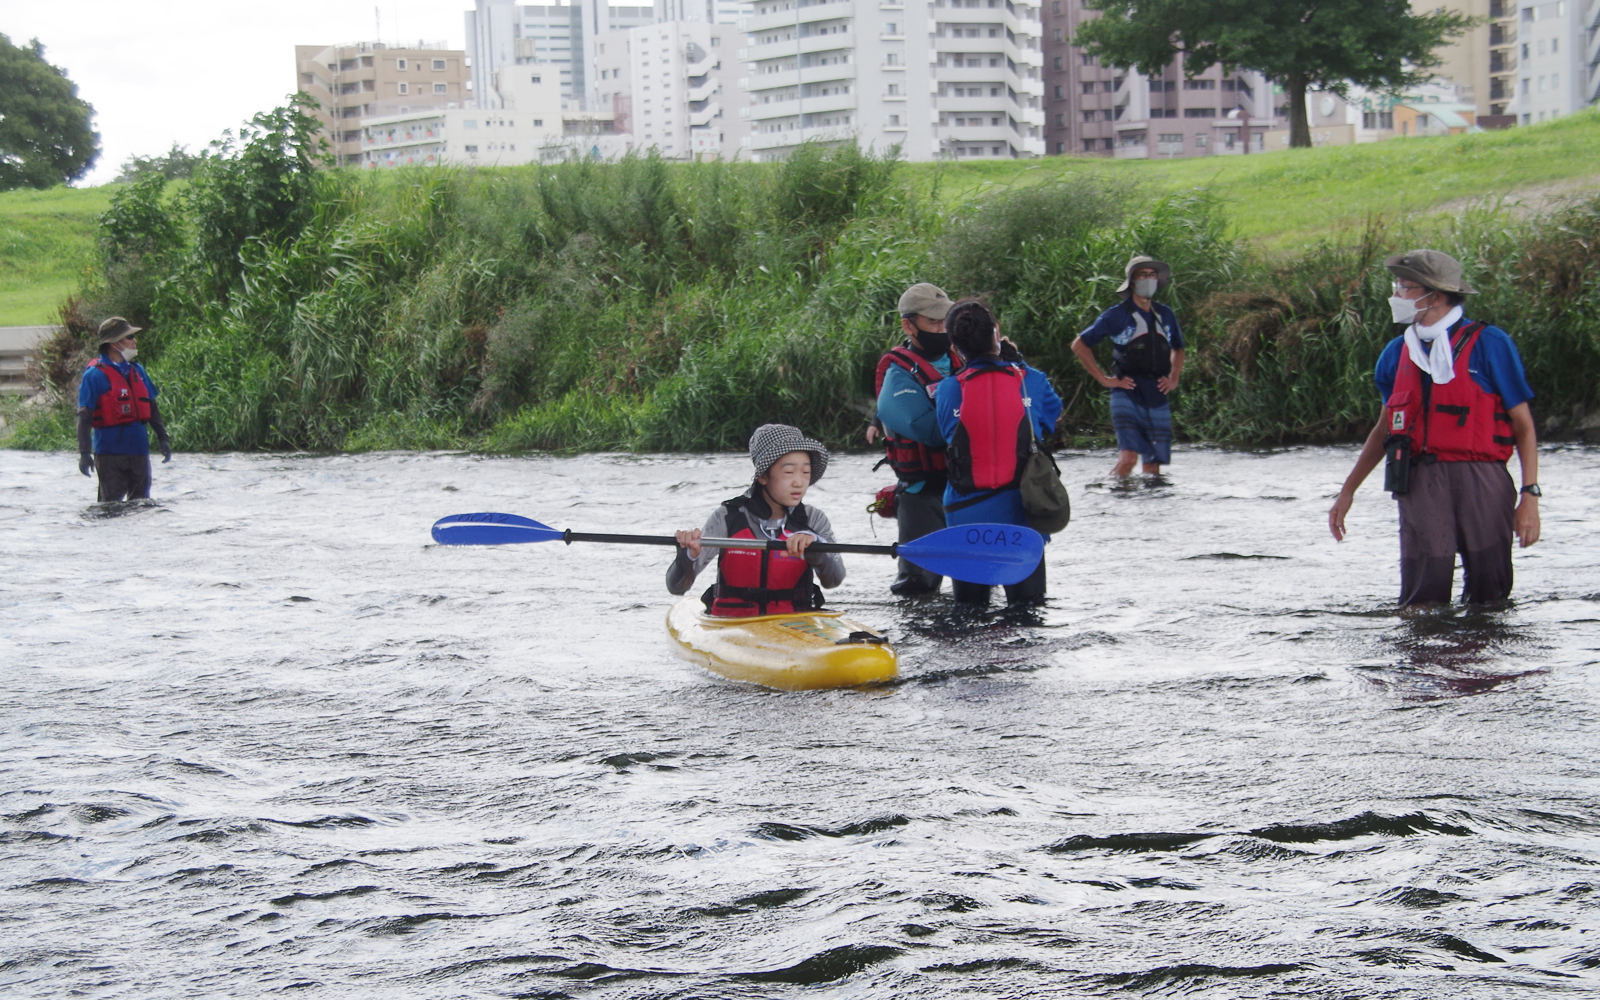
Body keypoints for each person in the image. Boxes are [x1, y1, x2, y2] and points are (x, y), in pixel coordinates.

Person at [1328, 249, 1541, 606]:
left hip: (1482, 478)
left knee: (1490, 593)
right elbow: (1385, 430)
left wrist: (1529, 495)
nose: (1395, 296)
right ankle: (1423, 662)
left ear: (1436, 295)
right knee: (1423, 597)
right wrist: (1347, 491)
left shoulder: (1491, 344)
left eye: (1404, 287)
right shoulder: (1395, 354)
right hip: (1420, 480)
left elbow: (1524, 426)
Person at [935, 300, 1063, 607]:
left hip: (966, 522)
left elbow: (946, 434)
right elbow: (1050, 416)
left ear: (954, 347)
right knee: (1028, 616)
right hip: (1021, 519)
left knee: (969, 617)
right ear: (997, 333)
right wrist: (1019, 362)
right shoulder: (1031, 380)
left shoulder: (948, 389)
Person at [668, 424, 846, 617]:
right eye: (789, 472)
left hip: (794, 622)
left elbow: (834, 579)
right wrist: (688, 555)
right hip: (733, 624)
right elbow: (676, 587)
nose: (799, 482)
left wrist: (816, 548)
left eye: (805, 472)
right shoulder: (727, 517)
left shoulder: (814, 520)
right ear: (762, 476)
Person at [873, 282, 960, 596]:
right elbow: (928, 431)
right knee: (918, 588)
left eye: (946, 320)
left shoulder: (965, 358)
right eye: (934, 322)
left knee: (975, 586)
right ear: (908, 326)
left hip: (966, 487)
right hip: (923, 493)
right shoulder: (898, 374)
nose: (943, 328)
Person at [1070, 255, 1186, 476]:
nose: (1149, 279)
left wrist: (1174, 378)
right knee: (1128, 458)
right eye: (1143, 275)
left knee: (1153, 466)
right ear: (1132, 281)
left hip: (1157, 393)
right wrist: (1104, 379)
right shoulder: (1117, 315)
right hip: (1127, 391)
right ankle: (1113, 498)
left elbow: (1178, 349)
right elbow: (1079, 345)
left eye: (1152, 275)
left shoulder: (1165, 314)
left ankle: (1149, 506)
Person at [77, 316, 171, 502]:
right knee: (110, 508)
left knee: (141, 506)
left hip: (139, 451)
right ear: (114, 343)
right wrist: (85, 453)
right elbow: (84, 417)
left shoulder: (138, 370)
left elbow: (151, 406)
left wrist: (163, 437)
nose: (134, 341)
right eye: (129, 337)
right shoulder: (94, 375)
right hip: (110, 455)